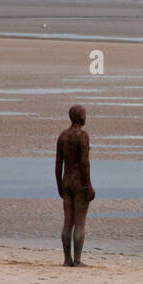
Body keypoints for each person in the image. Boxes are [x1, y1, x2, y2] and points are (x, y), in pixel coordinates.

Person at [55, 104, 95, 266]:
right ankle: (77, 260)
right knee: (79, 222)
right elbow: (84, 163)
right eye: (84, 115)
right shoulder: (82, 136)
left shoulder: (63, 136)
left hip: (66, 181)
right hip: (79, 183)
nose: (85, 117)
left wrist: (59, 184)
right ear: (79, 117)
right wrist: (88, 186)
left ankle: (67, 259)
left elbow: (58, 163)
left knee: (67, 222)